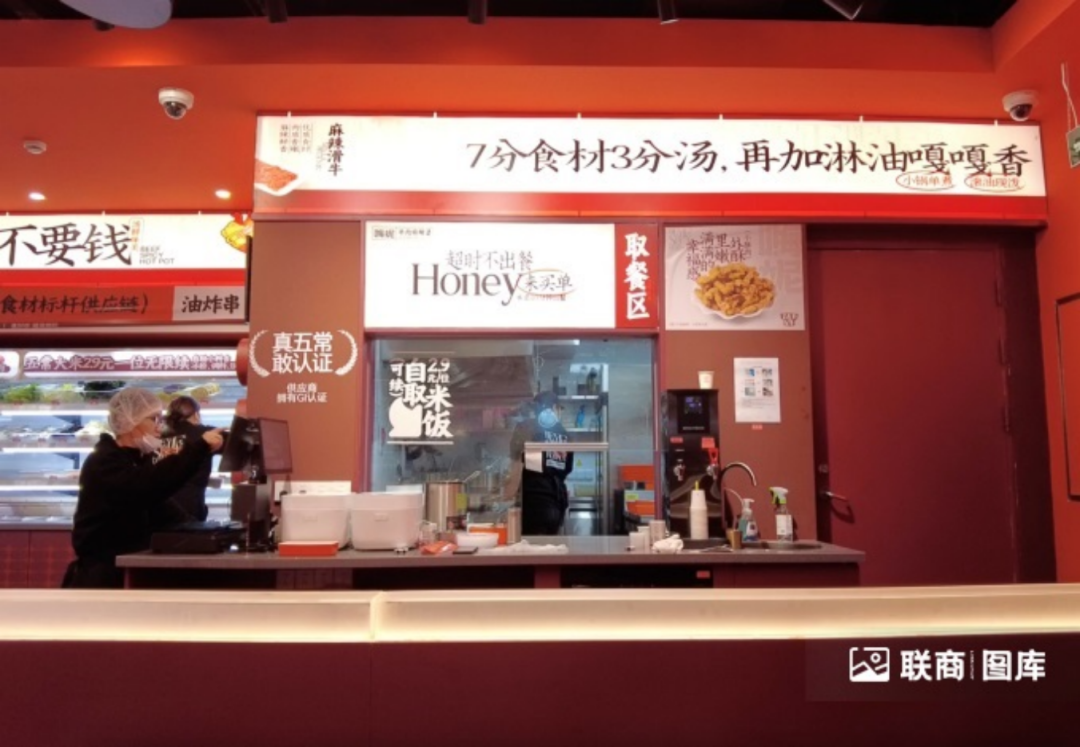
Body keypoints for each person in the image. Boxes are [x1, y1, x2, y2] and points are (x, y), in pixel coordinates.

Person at [63, 387, 224, 588]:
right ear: (129, 421)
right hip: (102, 576)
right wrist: (198, 449)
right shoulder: (105, 462)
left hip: (127, 568)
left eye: (161, 419)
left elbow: (165, 508)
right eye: (153, 419)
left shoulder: (138, 460)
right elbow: (147, 486)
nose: (160, 427)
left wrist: (208, 532)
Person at [503, 391, 573, 535]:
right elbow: (567, 468)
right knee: (550, 546)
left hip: (533, 501)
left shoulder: (526, 427)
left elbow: (515, 456)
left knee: (532, 546)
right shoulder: (563, 433)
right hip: (556, 501)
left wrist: (509, 490)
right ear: (553, 408)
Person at [159, 395, 215, 521]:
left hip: (163, 505)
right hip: (192, 503)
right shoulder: (206, 434)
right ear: (196, 414)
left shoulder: (160, 435)